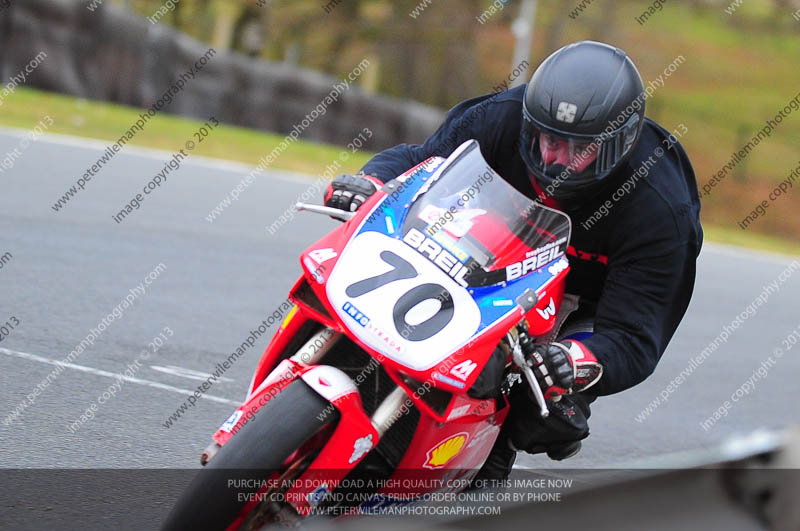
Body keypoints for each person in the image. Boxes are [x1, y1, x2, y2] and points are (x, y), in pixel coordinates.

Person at [324, 40, 703, 478]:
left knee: (544, 408)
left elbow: (635, 336)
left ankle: (486, 464)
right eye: (548, 140)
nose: (554, 159)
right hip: (487, 247)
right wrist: (370, 184)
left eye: (578, 149)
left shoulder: (660, 210)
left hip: (584, 297)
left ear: (617, 146)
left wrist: (573, 359)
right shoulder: (500, 117)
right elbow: (418, 163)